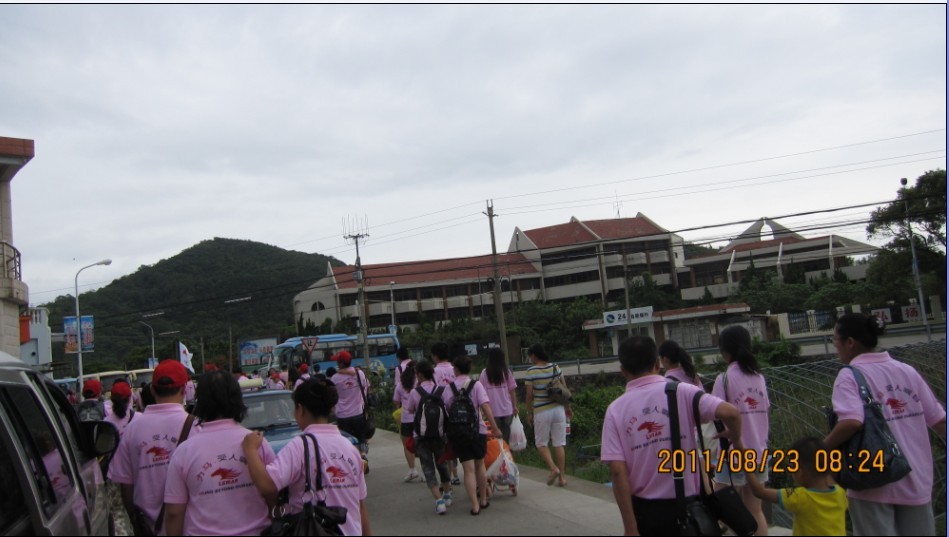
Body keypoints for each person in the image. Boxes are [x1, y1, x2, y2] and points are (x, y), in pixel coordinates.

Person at [601, 336, 743, 536]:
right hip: (690, 510)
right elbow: (731, 413)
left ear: (623, 370)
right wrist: (734, 436)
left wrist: (630, 528)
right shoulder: (684, 392)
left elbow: (617, 472)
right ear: (657, 364)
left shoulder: (615, 410)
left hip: (646, 512)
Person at [824, 313, 946, 536]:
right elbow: (939, 420)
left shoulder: (849, 375)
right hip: (916, 478)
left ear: (850, 342)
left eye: (835, 340)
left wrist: (821, 448)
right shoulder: (907, 371)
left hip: (871, 480)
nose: (835, 346)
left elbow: (852, 421)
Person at [243, 377, 371, 536]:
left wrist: (250, 450)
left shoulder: (299, 447)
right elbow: (360, 505)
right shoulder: (350, 448)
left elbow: (267, 486)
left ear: (300, 409)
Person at [164, 370, 276, 536]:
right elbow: (274, 493)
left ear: (200, 401)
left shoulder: (184, 451)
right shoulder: (258, 442)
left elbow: (174, 512)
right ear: (237, 399)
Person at [109, 360, 191, 536]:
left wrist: (135, 520)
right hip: (187, 528)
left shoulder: (132, 429)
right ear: (184, 390)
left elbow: (125, 485)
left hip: (146, 528)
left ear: (153, 390)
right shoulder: (195, 426)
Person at [711, 325, 770, 536]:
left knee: (719, 506)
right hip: (759, 452)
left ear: (724, 351)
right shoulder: (759, 378)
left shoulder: (724, 379)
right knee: (755, 509)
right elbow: (766, 409)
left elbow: (714, 412)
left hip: (733, 453)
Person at [746, 437, 848, 536]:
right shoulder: (840, 493)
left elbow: (759, 492)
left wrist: (745, 461)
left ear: (800, 472)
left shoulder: (799, 496)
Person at [443, 355, 502, 516]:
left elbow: (447, 409)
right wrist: (495, 428)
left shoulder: (449, 388)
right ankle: (483, 500)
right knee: (479, 466)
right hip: (478, 431)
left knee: (468, 470)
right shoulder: (476, 385)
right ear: (470, 369)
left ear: (455, 369)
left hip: (459, 434)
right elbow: (486, 407)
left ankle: (474, 506)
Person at [404, 360, 454, 514]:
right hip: (440, 434)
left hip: (421, 436)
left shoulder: (415, 392)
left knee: (428, 467)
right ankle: (447, 494)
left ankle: (439, 501)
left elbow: (410, 409)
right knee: (442, 463)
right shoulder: (441, 390)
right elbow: (448, 407)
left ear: (419, 374)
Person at [525, 343, 571, 487]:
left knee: (541, 443)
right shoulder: (555, 367)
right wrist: (568, 407)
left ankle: (553, 468)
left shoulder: (531, 371)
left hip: (542, 411)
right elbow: (564, 389)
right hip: (558, 409)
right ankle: (562, 478)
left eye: (530, 356)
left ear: (534, 355)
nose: (530, 359)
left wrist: (528, 412)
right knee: (559, 443)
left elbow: (529, 395)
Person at [430, 343, 460, 485]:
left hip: (440, 411)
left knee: (444, 444)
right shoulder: (455, 369)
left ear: (435, 356)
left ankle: (448, 475)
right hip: (457, 410)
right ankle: (455, 473)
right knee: (454, 442)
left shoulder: (434, 372)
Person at [329, 351, 371, 447]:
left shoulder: (335, 378)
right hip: (358, 414)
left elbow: (331, 396)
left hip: (342, 417)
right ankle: (361, 456)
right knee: (361, 443)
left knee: (345, 445)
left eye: (338, 362)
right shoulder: (359, 374)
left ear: (341, 364)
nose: (336, 364)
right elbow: (367, 386)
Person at [479, 347, 519, 444]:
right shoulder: (506, 372)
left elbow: (481, 393)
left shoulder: (485, 373)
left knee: (494, 439)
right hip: (507, 410)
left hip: (492, 412)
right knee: (507, 439)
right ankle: (507, 452)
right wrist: (514, 406)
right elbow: (512, 391)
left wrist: (482, 410)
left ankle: (498, 453)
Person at [392, 358, 419, 482]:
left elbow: (396, 401)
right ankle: (426, 471)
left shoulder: (400, 385)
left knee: (407, 446)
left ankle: (413, 470)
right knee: (422, 445)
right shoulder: (419, 383)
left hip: (406, 419)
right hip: (419, 419)